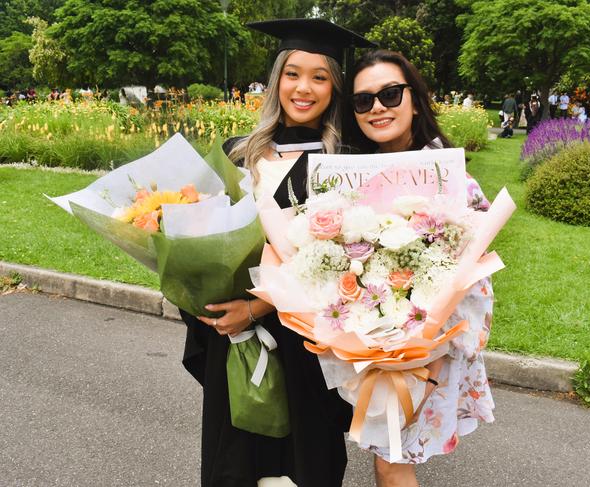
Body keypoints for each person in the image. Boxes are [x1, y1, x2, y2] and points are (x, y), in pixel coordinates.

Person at [179, 18, 373, 487]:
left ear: (335, 87)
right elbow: (201, 242)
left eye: (319, 76)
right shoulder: (237, 154)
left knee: (307, 465)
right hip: (238, 347)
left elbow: (356, 263)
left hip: (307, 345)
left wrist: (258, 306)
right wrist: (199, 294)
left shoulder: (346, 164)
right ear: (276, 80)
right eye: (292, 73)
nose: (303, 88)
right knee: (237, 466)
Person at [346, 49, 495, 487]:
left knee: (393, 462)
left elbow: (473, 280)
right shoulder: (348, 179)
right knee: (388, 458)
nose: (377, 107)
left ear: (415, 98)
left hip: (429, 352)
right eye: (362, 101)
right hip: (368, 348)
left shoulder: (452, 180)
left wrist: (426, 361)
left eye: (390, 94)